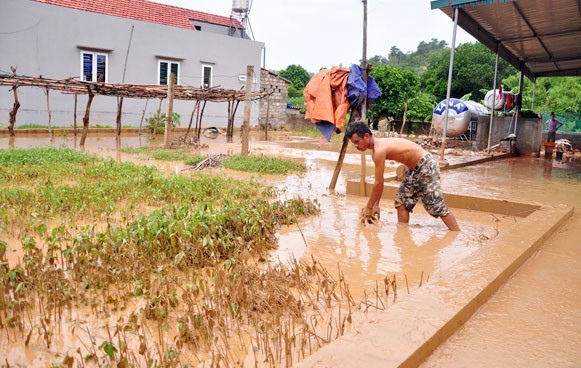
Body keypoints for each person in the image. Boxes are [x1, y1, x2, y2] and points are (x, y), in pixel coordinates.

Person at [345, 121, 460, 231]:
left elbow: (379, 183)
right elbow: (379, 183)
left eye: (357, 141)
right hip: (413, 169)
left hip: (426, 165)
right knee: (402, 202)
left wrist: (369, 207)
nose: (356, 146)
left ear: (366, 136)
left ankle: (456, 233)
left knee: (436, 205)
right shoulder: (378, 148)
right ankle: (403, 233)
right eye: (353, 143)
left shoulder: (379, 150)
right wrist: (376, 204)